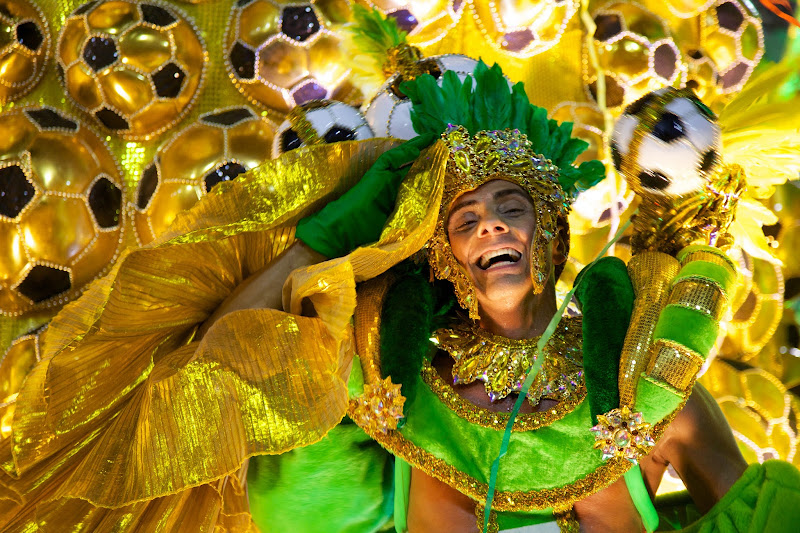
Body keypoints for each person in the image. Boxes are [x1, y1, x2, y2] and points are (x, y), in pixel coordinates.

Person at [2, 62, 799, 533]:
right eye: (465, 218)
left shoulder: (644, 382)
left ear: (550, 233)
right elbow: (225, 359)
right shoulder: (403, 389)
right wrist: (325, 241)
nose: (490, 225)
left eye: (511, 206)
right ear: (446, 257)